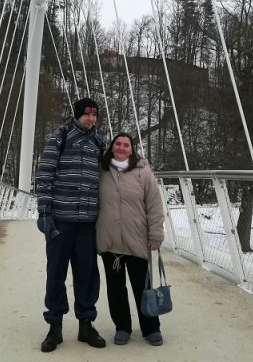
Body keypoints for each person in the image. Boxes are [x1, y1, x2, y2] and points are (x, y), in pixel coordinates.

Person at [36, 97, 106, 353]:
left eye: (94, 115)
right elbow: (44, 174)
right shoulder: (61, 136)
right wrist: (45, 211)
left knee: (87, 274)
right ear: (77, 114)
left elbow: (108, 178)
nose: (90, 119)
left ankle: (86, 324)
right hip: (61, 220)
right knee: (56, 274)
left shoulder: (99, 142)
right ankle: (54, 327)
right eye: (86, 114)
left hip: (88, 222)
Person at [96, 132, 165, 346]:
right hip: (110, 241)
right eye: (118, 144)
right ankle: (122, 327)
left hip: (137, 239)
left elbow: (154, 205)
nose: (121, 148)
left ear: (132, 149)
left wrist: (155, 235)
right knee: (115, 288)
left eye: (126, 145)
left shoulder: (143, 172)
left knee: (142, 286)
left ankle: (151, 328)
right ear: (112, 147)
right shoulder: (101, 171)